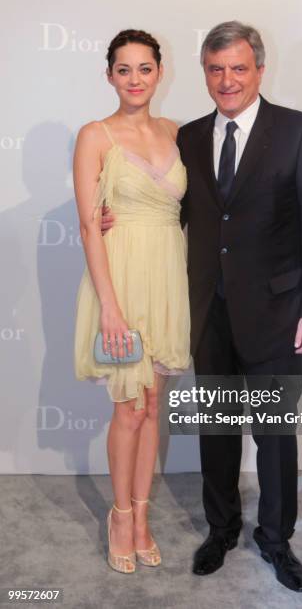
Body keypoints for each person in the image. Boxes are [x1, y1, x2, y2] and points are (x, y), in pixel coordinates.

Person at [103, 21, 302, 592]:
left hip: (280, 315)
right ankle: (221, 528)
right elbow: (168, 215)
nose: (227, 80)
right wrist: (116, 221)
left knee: (275, 431)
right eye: (216, 69)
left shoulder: (300, 132)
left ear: (259, 69)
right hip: (206, 310)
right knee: (217, 428)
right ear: (204, 73)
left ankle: (276, 540)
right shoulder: (186, 138)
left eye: (238, 68)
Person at [73, 29, 190, 574]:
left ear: (159, 73)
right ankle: (120, 517)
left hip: (166, 278)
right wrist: (111, 308)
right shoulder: (95, 135)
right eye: (124, 69)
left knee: (153, 407)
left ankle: (143, 517)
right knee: (128, 407)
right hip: (119, 281)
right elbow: (88, 227)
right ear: (110, 75)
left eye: (145, 68)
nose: (135, 79)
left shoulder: (176, 132)